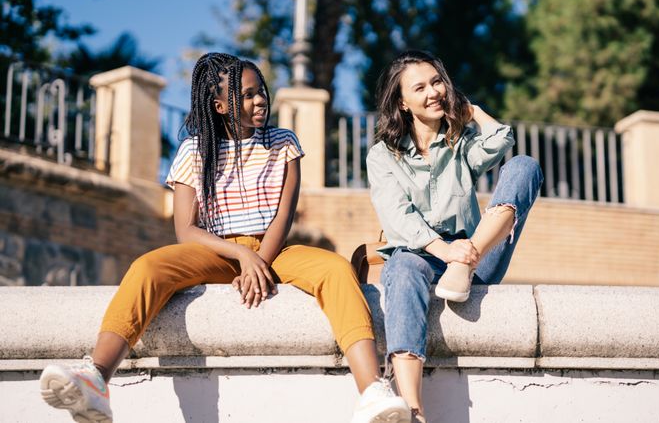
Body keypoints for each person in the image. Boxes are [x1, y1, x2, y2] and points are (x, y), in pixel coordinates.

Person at [39, 53, 411, 423]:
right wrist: (240, 255)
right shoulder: (193, 151)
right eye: (247, 95)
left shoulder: (284, 142)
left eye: (261, 91)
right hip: (215, 252)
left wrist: (259, 259)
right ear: (219, 105)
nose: (260, 99)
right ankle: (96, 378)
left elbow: (284, 215)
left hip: (275, 249)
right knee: (148, 266)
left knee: (334, 268)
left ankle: (372, 391)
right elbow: (186, 230)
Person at [366, 50, 543, 422]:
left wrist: (471, 110)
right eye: (420, 87)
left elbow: (500, 141)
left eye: (437, 82)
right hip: (425, 253)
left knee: (525, 166)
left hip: (474, 255)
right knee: (400, 269)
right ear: (403, 102)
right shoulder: (383, 156)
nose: (433, 92)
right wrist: (446, 252)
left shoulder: (460, 145)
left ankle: (466, 261)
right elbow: (398, 216)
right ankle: (413, 410)